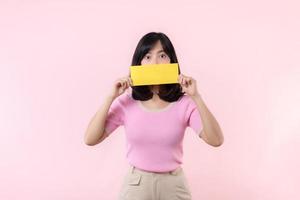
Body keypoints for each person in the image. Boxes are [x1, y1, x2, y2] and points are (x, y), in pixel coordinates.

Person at [84, 32, 224, 200]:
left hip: (174, 185)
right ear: (139, 63)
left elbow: (216, 140)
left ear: (171, 60)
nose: (155, 63)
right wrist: (110, 97)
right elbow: (90, 139)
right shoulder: (126, 102)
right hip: (136, 184)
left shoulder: (184, 103)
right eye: (148, 57)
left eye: (162, 55)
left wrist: (196, 97)